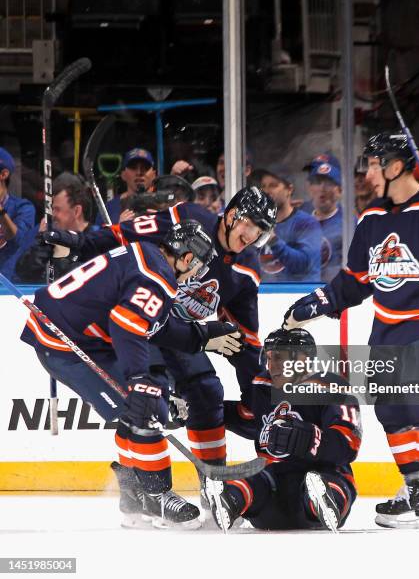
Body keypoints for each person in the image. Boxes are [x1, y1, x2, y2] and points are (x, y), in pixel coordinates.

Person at [283, 132, 419, 530]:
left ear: (396, 165)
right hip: (387, 329)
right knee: (390, 409)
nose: (365, 174)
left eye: (372, 164)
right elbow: (356, 280)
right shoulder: (372, 219)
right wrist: (319, 301)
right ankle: (415, 487)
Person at [41, 187, 277, 498]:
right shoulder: (188, 219)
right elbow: (123, 235)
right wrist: (79, 244)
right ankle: (134, 490)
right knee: (145, 398)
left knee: (206, 391)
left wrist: (256, 393)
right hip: (140, 321)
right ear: (234, 215)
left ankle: (214, 488)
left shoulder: (246, 271)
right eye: (252, 226)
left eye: (261, 233)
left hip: (177, 332)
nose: (253, 236)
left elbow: (243, 339)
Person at [20, 220, 241, 528]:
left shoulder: (146, 254)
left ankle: (133, 497)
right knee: (147, 404)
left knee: (139, 406)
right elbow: (127, 326)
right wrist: (139, 379)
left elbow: (153, 324)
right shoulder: (157, 277)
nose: (194, 277)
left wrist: (200, 335)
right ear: (187, 259)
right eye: (197, 269)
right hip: (64, 343)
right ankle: (157, 498)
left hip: (71, 335)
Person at [204, 327, 361, 532]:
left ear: (303, 358)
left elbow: (347, 445)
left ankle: (323, 501)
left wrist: (307, 438)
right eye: (269, 358)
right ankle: (230, 498)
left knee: (328, 480)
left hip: (318, 478)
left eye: (279, 357)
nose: (272, 366)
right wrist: (199, 411)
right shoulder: (263, 386)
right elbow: (247, 418)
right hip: (273, 497)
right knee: (254, 477)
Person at [16, 172, 94, 283]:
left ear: (77, 211)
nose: (53, 215)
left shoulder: (98, 240)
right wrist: (41, 243)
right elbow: (23, 275)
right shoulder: (49, 236)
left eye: (57, 209)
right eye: (52, 209)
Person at [258, 169, 322, 283]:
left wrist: (273, 240)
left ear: (289, 190)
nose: (267, 191)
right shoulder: (257, 222)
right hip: (263, 293)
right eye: (263, 186)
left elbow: (305, 264)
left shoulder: (307, 223)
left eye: (273, 185)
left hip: (298, 294)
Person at [304, 157, 344, 283]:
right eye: (317, 181)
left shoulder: (349, 223)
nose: (322, 188)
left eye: (329, 182)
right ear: (310, 188)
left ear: (339, 190)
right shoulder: (298, 218)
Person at [0, 147, 35, 280]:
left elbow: (17, 239)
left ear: (3, 174)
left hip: (9, 290)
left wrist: (1, 213)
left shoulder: (24, 207)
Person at [97, 148, 157, 225]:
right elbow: (100, 236)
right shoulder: (108, 209)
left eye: (145, 167)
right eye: (133, 167)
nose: (139, 172)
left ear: (154, 175)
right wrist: (119, 228)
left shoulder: (165, 205)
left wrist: (162, 222)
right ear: (123, 175)